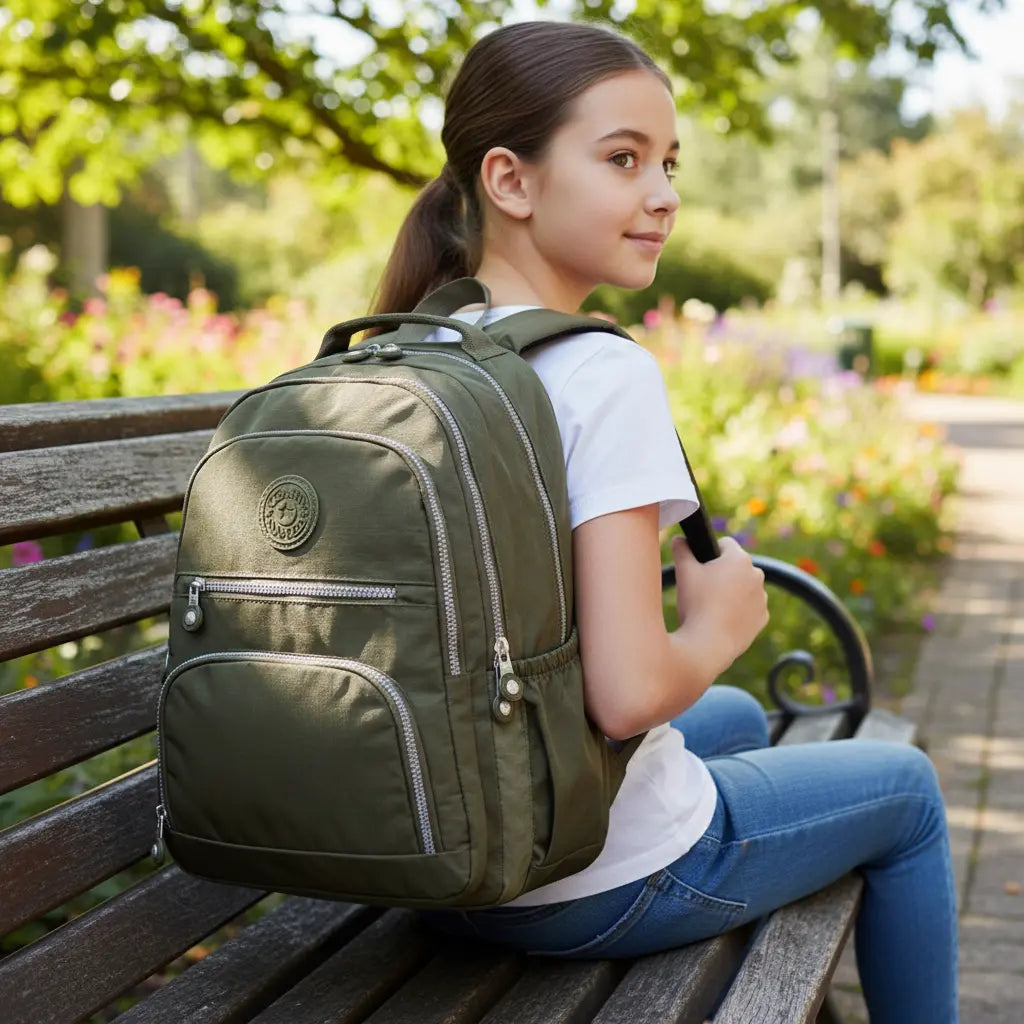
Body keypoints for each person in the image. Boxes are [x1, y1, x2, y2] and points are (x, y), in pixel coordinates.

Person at [369, 19, 958, 1023]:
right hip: (585, 887)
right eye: (622, 159)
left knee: (728, 718)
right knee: (905, 793)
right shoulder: (597, 367)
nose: (664, 195)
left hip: (439, 859)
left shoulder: (412, 349)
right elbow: (630, 694)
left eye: (668, 162)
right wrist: (720, 627)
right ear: (509, 181)